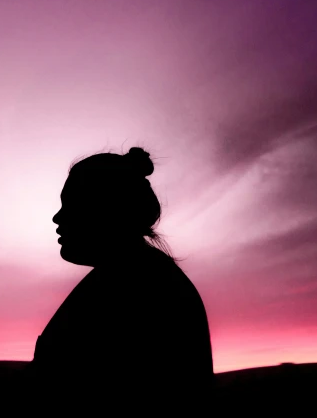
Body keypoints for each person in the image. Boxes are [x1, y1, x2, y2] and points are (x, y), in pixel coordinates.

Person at [26, 147, 214, 410]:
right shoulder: (131, 277)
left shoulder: (136, 287)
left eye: (72, 205)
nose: (58, 217)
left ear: (106, 210)